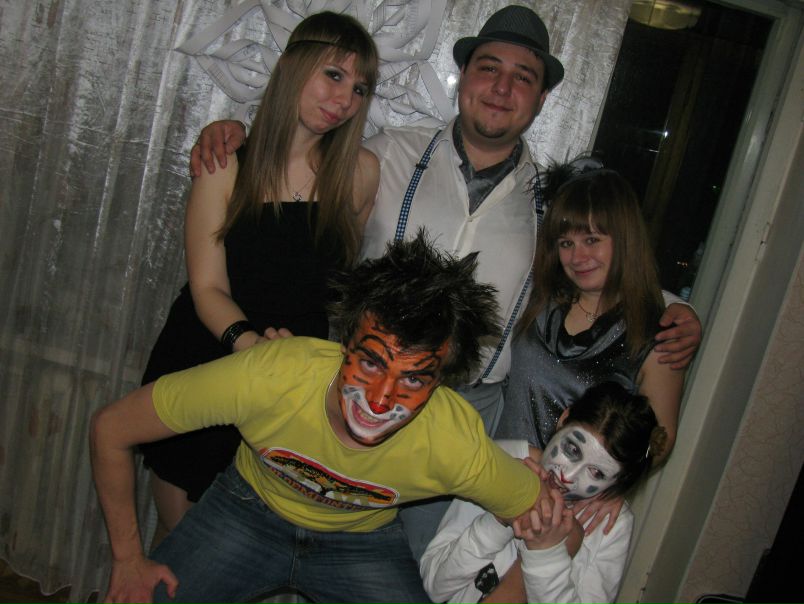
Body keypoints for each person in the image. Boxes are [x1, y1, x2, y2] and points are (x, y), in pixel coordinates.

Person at [190, 4, 701, 559]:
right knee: (285, 532)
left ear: (541, 100)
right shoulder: (384, 155)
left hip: (467, 413)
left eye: (523, 78)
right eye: (489, 68)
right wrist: (236, 132)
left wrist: (672, 307)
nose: (502, 88)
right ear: (463, 78)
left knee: (422, 568)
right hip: (358, 388)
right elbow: (297, 171)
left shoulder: (550, 202)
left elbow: (597, 269)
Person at [89, 233, 551, 604]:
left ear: (440, 383)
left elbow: (550, 519)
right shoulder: (271, 376)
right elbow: (111, 428)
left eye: (412, 379)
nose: (380, 399)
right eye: (370, 363)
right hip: (247, 508)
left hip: (362, 540)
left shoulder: (453, 442)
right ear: (343, 344)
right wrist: (127, 560)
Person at [138, 11, 380, 546]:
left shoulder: (360, 172)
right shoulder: (226, 162)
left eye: (360, 88)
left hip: (289, 381)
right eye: (333, 74)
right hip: (208, 355)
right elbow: (206, 286)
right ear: (292, 66)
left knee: (244, 545)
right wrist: (253, 350)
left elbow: (337, 292)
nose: (345, 98)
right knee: (177, 540)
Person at [494, 163, 685, 534]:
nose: (577, 257)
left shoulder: (656, 335)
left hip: (566, 511)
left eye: (592, 240)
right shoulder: (539, 299)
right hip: (502, 476)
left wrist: (618, 486)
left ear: (624, 240)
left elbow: (660, 438)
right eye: (566, 243)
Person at [420, 381, 663, 604]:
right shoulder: (502, 460)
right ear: (563, 419)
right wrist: (497, 521)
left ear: (618, 481)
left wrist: (546, 554)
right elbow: (434, 586)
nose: (568, 476)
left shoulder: (611, 524)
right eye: (572, 449)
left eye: (596, 473)